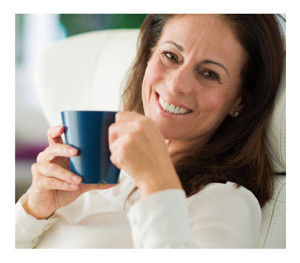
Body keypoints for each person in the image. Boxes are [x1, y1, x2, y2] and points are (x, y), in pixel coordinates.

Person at [15, 14, 285, 248]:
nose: (176, 84)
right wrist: (33, 210)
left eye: (209, 74)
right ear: (149, 54)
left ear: (241, 100)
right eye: (170, 56)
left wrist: (156, 181)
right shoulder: (92, 173)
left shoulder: (227, 201)